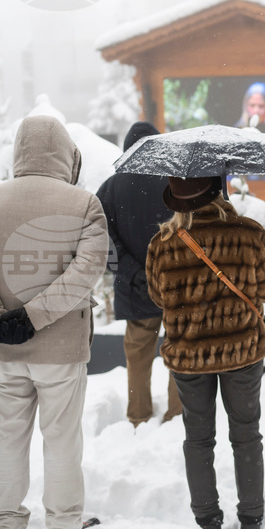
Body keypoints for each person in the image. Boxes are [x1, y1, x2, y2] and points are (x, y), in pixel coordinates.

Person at [0, 115, 109, 529]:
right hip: (61, 349)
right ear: (65, 153)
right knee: (61, 440)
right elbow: (87, 271)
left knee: (5, 440)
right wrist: (34, 317)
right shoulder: (84, 205)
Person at [146, 176, 265, 529]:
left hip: (189, 356)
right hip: (241, 350)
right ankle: (252, 521)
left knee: (198, 437)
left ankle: (207, 521)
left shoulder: (162, 244)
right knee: (246, 434)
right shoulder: (249, 233)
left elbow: (159, 297)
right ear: (218, 191)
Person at [96, 122, 180, 426]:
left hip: (135, 290)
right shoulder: (177, 184)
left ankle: (139, 416)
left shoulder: (111, 187)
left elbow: (101, 240)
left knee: (138, 354)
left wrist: (134, 273)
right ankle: (177, 414)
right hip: (177, 289)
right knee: (178, 350)